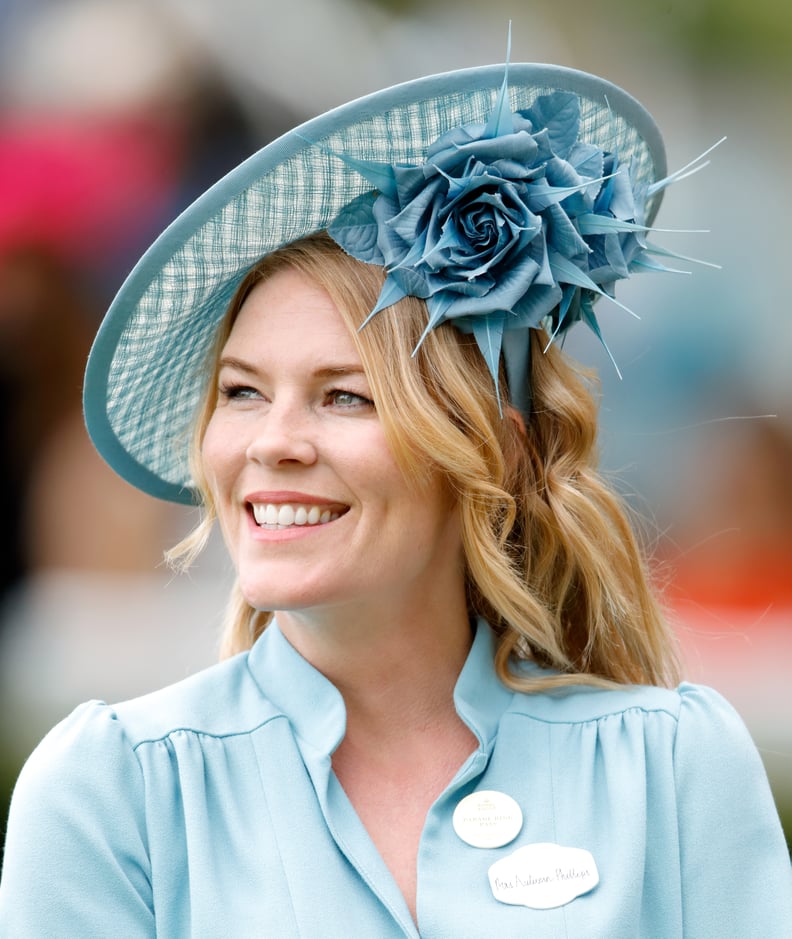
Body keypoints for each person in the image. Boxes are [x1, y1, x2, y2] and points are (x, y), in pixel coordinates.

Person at [1, 60, 790, 937]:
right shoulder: (113, 791)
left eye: (346, 395)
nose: (273, 442)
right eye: (241, 391)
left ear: (491, 451)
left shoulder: (671, 766)